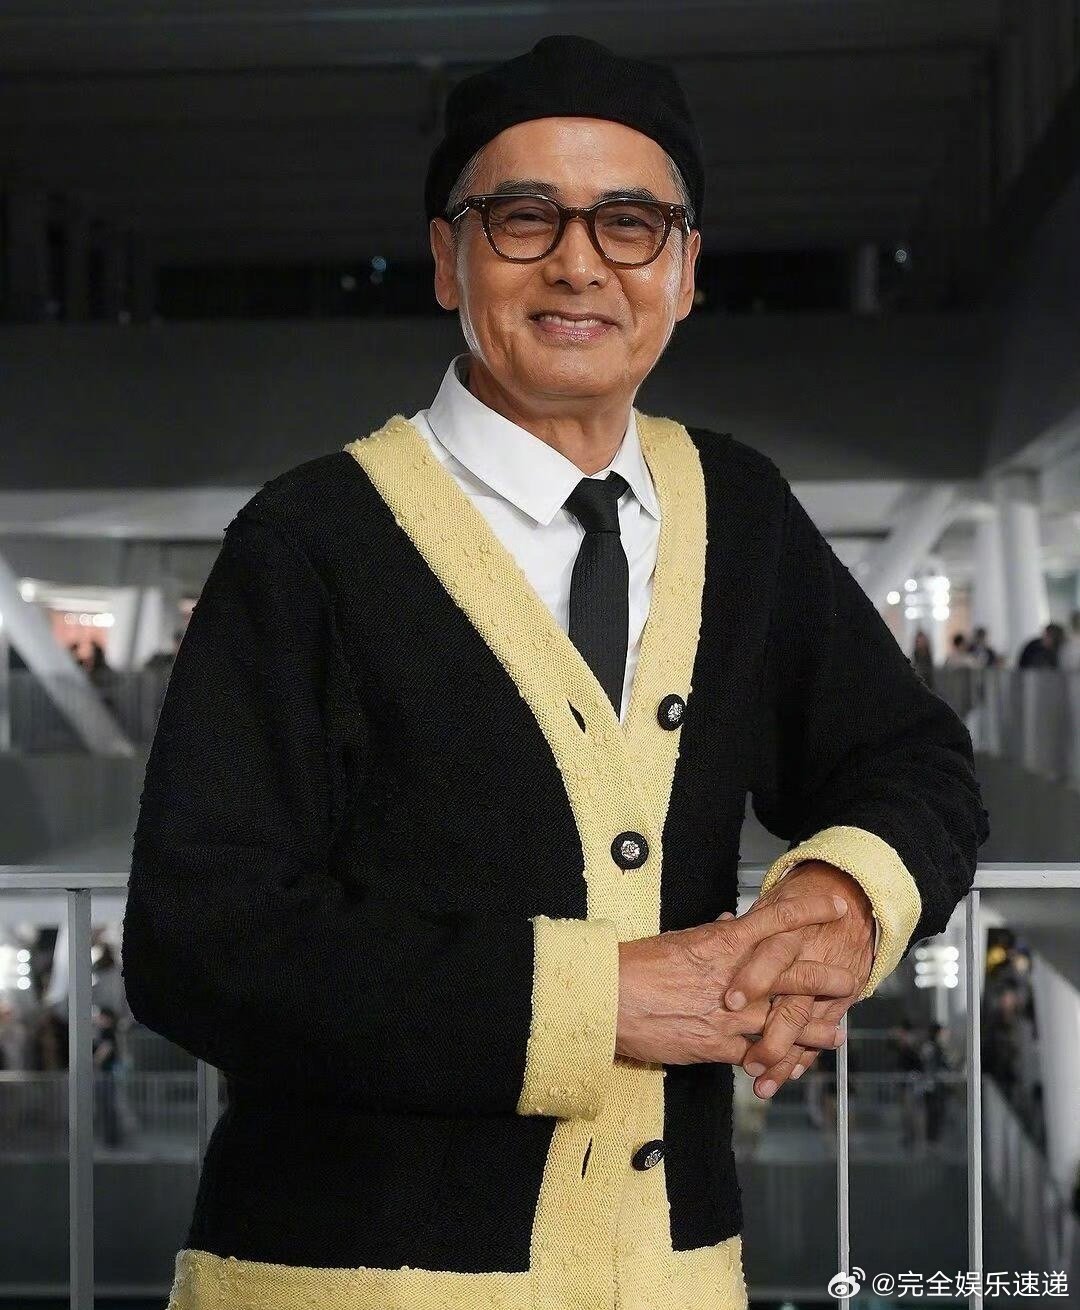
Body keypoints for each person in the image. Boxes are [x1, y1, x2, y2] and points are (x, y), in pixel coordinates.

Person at [120, 34, 989, 1310]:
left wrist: (837, 909)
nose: (580, 262)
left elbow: (914, 759)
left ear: (685, 272)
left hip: (670, 1272)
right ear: (447, 259)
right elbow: (197, 940)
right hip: (350, 1279)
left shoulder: (738, 512)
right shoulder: (308, 542)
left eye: (631, 223)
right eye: (525, 217)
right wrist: (598, 1002)